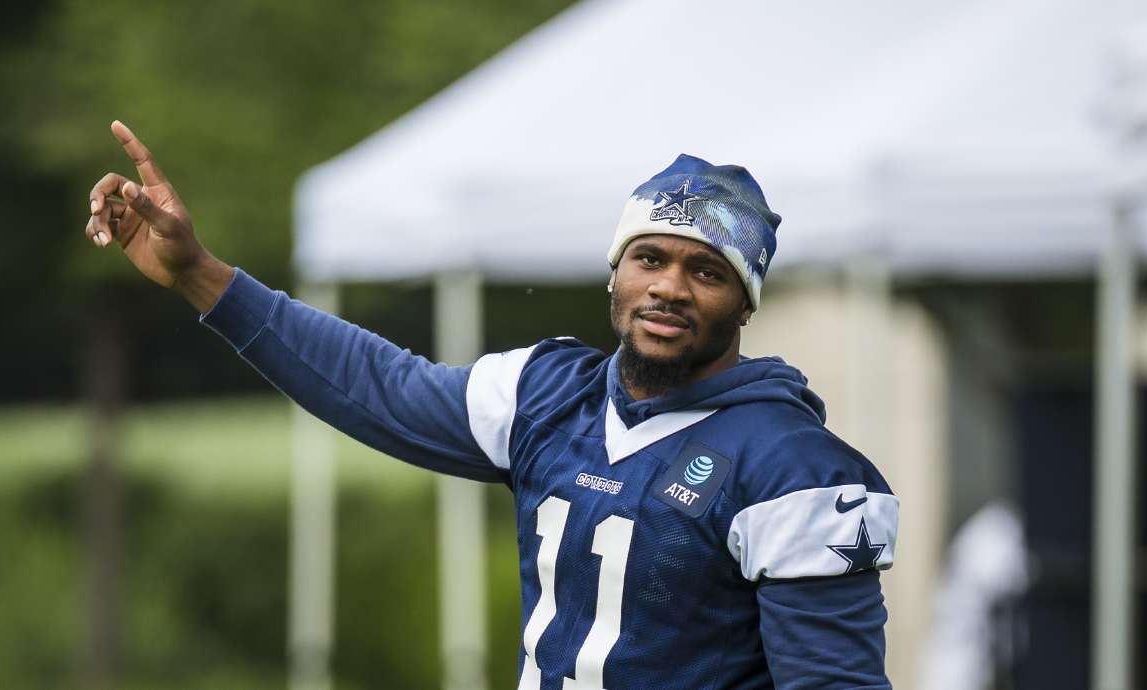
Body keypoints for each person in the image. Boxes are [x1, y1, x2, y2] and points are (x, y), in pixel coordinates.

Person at [86, 120, 898, 689]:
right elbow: (376, 384)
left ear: (746, 303)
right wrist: (198, 273)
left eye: (708, 271)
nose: (669, 287)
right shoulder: (550, 394)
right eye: (649, 257)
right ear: (615, 273)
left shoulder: (793, 468)